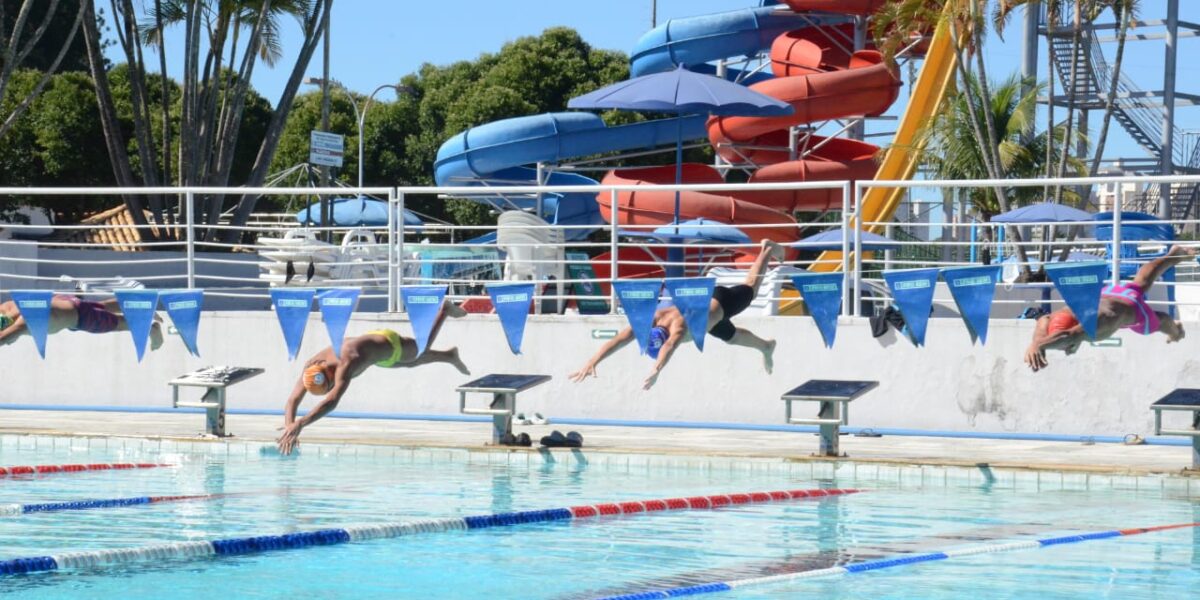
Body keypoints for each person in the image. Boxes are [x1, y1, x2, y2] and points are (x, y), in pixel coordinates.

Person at [569, 239, 782, 391]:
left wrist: (656, 369)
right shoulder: (651, 320)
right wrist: (593, 361)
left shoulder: (679, 329)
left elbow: (669, 347)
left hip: (720, 302)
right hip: (709, 320)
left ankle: (766, 249)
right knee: (732, 337)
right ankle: (766, 346)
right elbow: (619, 339)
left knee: (751, 287)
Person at [276, 301, 470, 454]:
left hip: (389, 344)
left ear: (330, 376)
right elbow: (293, 399)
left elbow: (332, 400)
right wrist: (289, 428)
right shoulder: (312, 365)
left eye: (329, 385)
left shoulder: (347, 362)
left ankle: (443, 311)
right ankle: (449, 356)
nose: (332, 386)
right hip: (376, 356)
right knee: (411, 363)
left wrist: (301, 423)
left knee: (420, 350)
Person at [1024, 245, 1194, 372]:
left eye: (1065, 347)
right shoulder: (1065, 312)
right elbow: (1043, 320)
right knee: (1140, 282)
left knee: (1162, 320)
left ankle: (1176, 332)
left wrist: (1039, 345)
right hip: (1109, 294)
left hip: (1132, 309)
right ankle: (1173, 255)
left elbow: (1069, 336)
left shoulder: (1096, 326)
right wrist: (1036, 344)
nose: (1066, 350)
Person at [0, 294, 163, 349]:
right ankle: (142, 304)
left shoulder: (26, 322)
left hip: (80, 318)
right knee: (102, 306)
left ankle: (152, 329)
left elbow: (4, 338)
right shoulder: (7, 307)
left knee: (121, 324)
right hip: (64, 301)